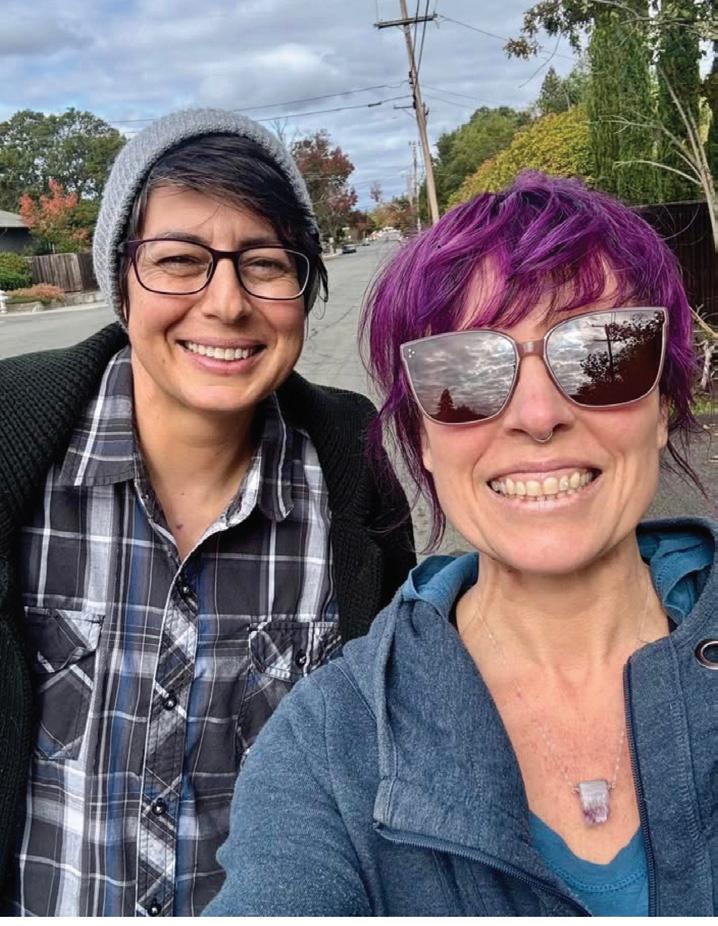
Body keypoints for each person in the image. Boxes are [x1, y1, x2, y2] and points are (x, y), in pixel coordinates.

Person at [205, 172, 717, 917]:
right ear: (419, 436)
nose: (537, 415)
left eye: (602, 354)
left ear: (664, 404)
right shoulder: (329, 751)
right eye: (465, 373)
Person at [0, 108, 415, 916]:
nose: (226, 303)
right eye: (179, 260)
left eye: (265, 264)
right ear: (120, 280)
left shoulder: (351, 485)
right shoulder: (17, 446)